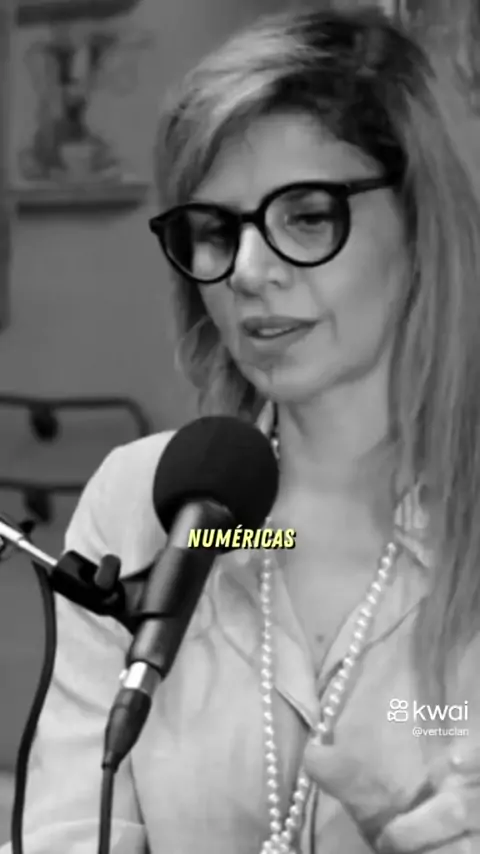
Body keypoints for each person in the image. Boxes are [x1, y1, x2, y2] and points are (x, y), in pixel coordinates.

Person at [5, 3, 480, 852]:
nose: (249, 272)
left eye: (307, 216)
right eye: (217, 230)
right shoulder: (140, 500)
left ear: (421, 223)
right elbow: (71, 830)